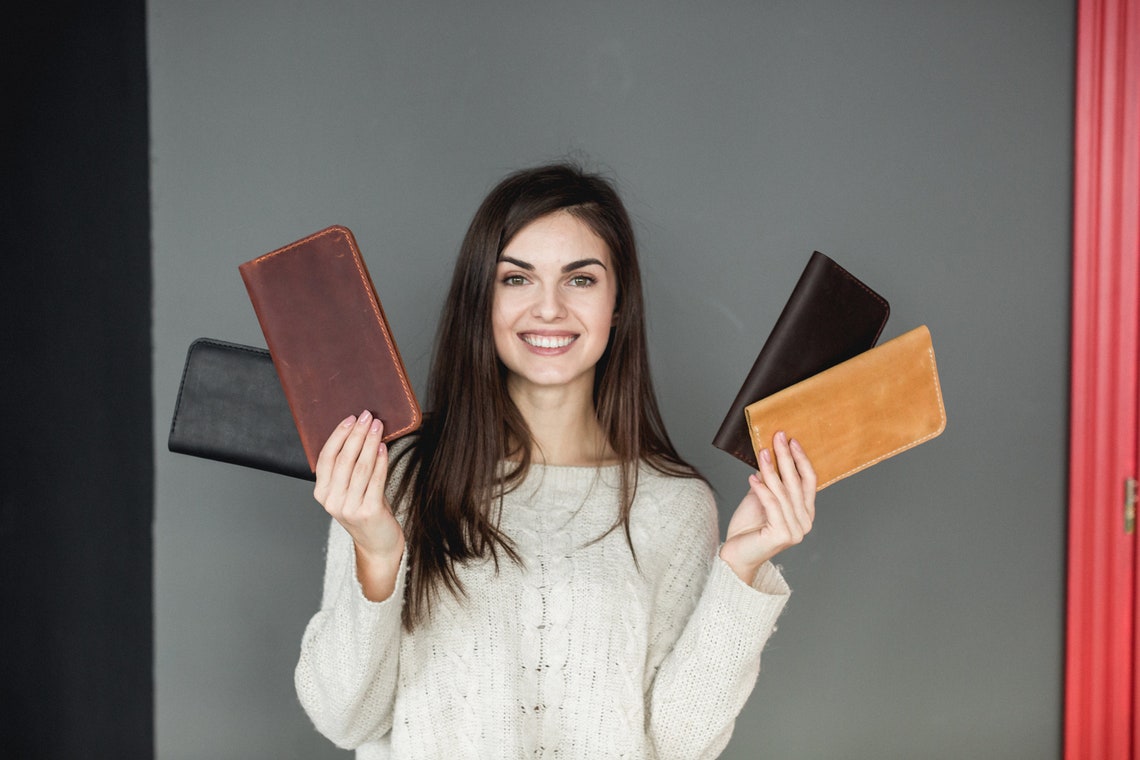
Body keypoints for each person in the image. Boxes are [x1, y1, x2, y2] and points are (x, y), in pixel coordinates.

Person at [294, 163, 817, 759]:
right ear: (481, 300)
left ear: (618, 303)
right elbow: (343, 718)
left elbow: (677, 744)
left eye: (580, 280)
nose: (548, 308)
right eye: (516, 279)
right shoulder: (396, 477)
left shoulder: (673, 505)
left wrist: (742, 570)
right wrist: (377, 551)